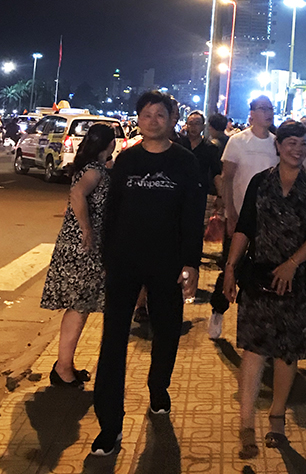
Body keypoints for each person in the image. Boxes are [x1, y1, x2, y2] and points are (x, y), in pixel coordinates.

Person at [91, 91, 204, 457]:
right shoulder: (126, 160)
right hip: (124, 261)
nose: (153, 120)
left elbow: (192, 215)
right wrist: (107, 256)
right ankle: (110, 425)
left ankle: (158, 389)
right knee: (112, 341)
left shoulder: (185, 162)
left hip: (167, 263)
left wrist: (191, 262)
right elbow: (112, 212)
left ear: (172, 119)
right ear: (138, 119)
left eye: (160, 114)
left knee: (167, 331)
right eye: (146, 114)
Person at [223, 121, 306, 459]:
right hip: (260, 276)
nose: (297, 149)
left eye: (303, 143)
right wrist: (229, 267)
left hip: (298, 280)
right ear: (278, 146)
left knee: (287, 352)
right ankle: (246, 425)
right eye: (290, 142)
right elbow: (245, 228)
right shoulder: (260, 182)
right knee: (254, 351)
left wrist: (292, 264)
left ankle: (277, 416)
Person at [41, 123, 116, 387]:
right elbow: (77, 195)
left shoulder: (89, 167)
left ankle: (65, 364)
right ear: (109, 144)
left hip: (79, 244)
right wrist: (86, 229)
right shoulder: (95, 170)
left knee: (79, 305)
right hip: (83, 246)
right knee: (79, 305)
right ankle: (63, 368)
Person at [207, 95, 279, 339]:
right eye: (263, 109)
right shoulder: (238, 142)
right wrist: (231, 212)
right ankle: (218, 309)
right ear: (252, 113)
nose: (268, 113)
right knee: (231, 266)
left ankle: (258, 325)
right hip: (239, 217)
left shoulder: (277, 143)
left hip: (268, 220)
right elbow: (227, 179)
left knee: (262, 271)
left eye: (270, 108)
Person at [180, 110, 222, 221]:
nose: (194, 127)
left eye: (197, 123)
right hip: (179, 191)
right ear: (186, 125)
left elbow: (216, 172)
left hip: (200, 193)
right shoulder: (179, 145)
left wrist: (220, 196)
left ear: (203, 126)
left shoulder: (210, 148)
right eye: (191, 123)